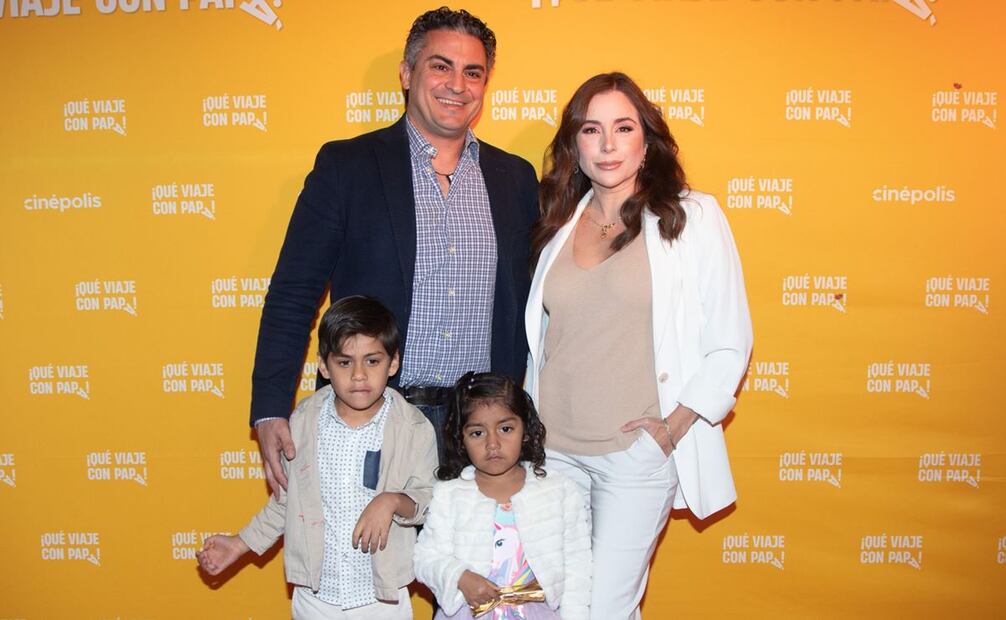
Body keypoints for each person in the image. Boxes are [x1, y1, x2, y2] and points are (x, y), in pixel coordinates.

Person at [250, 7, 539, 496]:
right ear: (407, 74)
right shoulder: (347, 167)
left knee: (478, 551)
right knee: (364, 549)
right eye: (440, 66)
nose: (457, 85)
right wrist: (270, 407)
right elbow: (293, 294)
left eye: (473, 72)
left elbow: (534, 310)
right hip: (373, 419)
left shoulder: (516, 179)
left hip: (481, 431)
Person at [523, 72, 753, 619]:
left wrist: (672, 429)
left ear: (646, 142)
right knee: (555, 606)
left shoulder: (692, 218)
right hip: (552, 455)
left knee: (602, 609)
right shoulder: (557, 225)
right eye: (591, 129)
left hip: (634, 456)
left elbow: (730, 342)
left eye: (623, 128)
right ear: (574, 146)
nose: (607, 144)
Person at [198, 296, 438, 619]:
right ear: (324, 366)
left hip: (384, 599)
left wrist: (393, 501)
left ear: (393, 363)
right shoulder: (303, 422)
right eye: (344, 362)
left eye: (372, 361)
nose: (358, 375)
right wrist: (239, 544)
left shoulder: (413, 428)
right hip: (316, 598)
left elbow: (428, 501)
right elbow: (287, 501)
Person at [414, 372, 591, 620]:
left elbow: (577, 569)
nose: (493, 443)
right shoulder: (450, 494)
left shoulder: (559, 490)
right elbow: (425, 559)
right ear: (461, 439)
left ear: (525, 430)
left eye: (506, 429)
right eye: (477, 433)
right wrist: (459, 577)